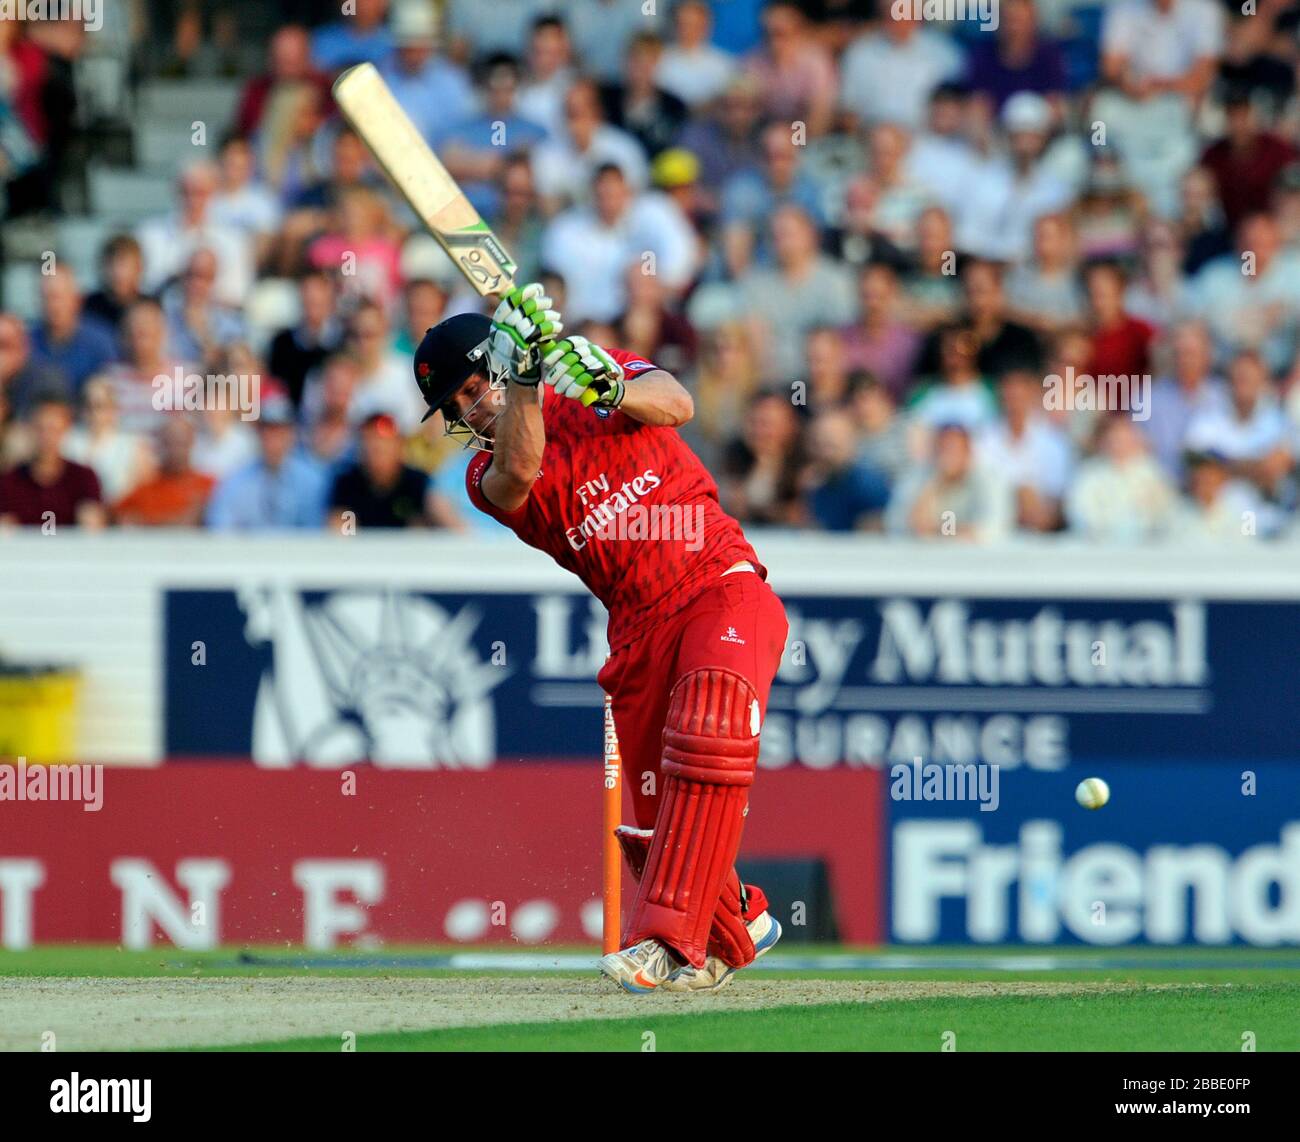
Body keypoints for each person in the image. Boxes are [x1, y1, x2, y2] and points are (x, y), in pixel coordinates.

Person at [412, 284, 789, 993]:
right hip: (640, 628)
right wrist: (525, 379)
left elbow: (677, 404)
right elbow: (522, 469)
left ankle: (665, 943)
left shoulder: (588, 374)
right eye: (455, 405)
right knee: (656, 825)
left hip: (717, 581)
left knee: (709, 725)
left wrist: (609, 381)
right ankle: (738, 918)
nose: (468, 409)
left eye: (471, 388)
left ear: (493, 364)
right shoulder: (482, 474)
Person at [0, 395, 105, 529]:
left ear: (65, 429)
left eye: (53, 429)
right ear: (29, 429)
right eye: (40, 429)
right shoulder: (9, 482)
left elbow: (94, 528)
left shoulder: (84, 478)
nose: (47, 437)